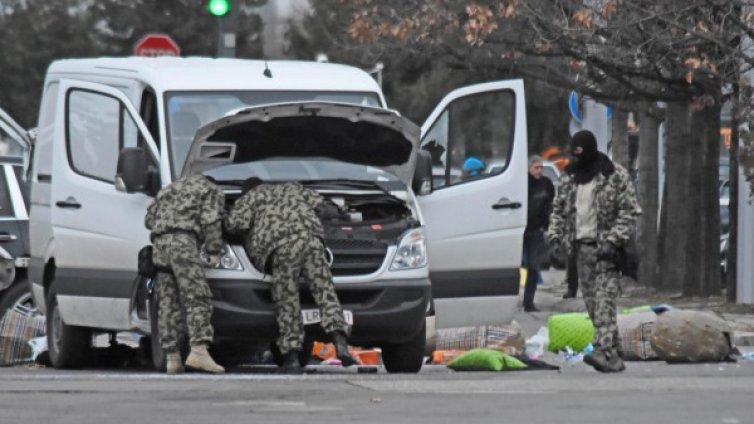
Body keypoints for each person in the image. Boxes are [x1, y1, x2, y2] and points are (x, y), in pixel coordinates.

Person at [225, 178, 357, 372]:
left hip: (282, 248)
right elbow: (325, 208)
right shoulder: (293, 188)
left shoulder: (250, 197)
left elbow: (235, 226)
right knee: (325, 292)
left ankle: (292, 357)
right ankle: (340, 342)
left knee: (287, 300)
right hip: (312, 241)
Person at [547, 130, 641, 373]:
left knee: (604, 303)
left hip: (607, 252)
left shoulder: (614, 175)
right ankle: (615, 351)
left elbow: (629, 210)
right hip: (581, 251)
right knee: (592, 305)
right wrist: (555, 237)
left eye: (582, 154)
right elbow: (558, 210)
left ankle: (604, 352)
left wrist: (614, 240)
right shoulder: (569, 177)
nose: (578, 160)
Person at [145, 174, 226, 374]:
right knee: (197, 297)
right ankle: (199, 351)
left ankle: (172, 357)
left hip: (160, 244)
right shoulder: (210, 189)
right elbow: (211, 220)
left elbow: (148, 220)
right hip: (183, 243)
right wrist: (213, 250)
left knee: (167, 301)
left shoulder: (168, 189)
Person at [522, 155, 555, 312]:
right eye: (536, 167)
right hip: (521, 229)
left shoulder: (546, 184)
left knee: (533, 267)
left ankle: (529, 302)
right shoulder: (522, 183)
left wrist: (547, 225)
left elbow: (550, 205)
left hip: (536, 230)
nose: (540, 170)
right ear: (529, 168)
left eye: (541, 167)